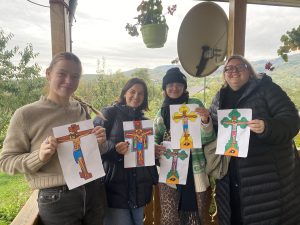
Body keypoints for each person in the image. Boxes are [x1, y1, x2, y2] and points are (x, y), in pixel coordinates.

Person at [0, 52, 107, 225]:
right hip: (58, 199)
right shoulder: (25, 115)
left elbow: (88, 153)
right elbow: (5, 162)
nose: (69, 81)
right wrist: (39, 156)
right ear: (48, 74)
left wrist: (99, 143)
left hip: (93, 190)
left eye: (75, 76)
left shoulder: (80, 109)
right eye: (62, 74)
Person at [209, 55, 300, 225]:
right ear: (224, 75)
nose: (233, 71)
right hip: (230, 183)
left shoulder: (267, 89)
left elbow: (292, 120)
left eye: (239, 67)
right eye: (228, 68)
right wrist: (205, 122)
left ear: (249, 71)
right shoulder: (219, 98)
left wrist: (267, 127)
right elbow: (213, 130)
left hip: (266, 183)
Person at [154, 67, 216, 225]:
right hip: (170, 166)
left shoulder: (195, 105)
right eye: (170, 85)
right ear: (165, 88)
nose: (174, 88)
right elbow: (156, 137)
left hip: (193, 168)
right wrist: (155, 147)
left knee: (195, 210)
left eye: (178, 84)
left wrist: (205, 121)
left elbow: (207, 137)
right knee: (171, 212)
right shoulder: (162, 112)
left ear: (184, 87)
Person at [93, 77, 158, 225]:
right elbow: (91, 145)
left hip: (139, 188)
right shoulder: (108, 114)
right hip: (114, 187)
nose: (136, 96)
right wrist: (114, 149)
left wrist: (153, 150)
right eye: (132, 91)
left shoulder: (144, 120)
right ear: (124, 93)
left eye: (141, 93)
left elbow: (144, 154)